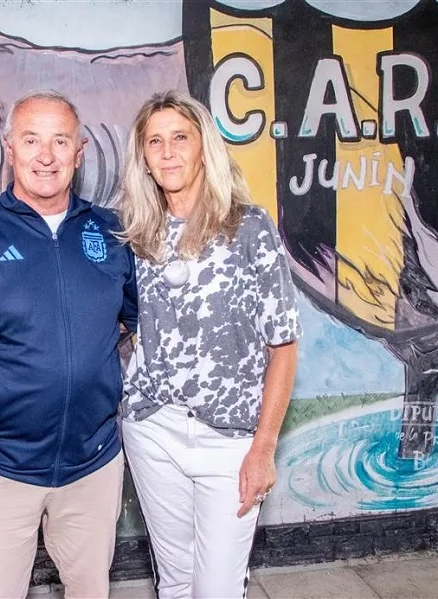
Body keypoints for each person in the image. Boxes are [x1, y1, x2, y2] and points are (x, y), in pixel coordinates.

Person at [0, 90, 138, 599]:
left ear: (79, 152)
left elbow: (137, 321)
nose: (46, 156)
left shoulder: (111, 232)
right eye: (32, 140)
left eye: (60, 141)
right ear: (10, 147)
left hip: (94, 467)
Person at [118, 90, 301, 598]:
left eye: (180, 137)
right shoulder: (137, 234)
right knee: (175, 581)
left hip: (231, 440)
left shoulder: (249, 227)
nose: (168, 152)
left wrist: (263, 448)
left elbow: (283, 347)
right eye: (155, 141)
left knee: (217, 588)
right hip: (153, 430)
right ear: (144, 157)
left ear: (204, 148)